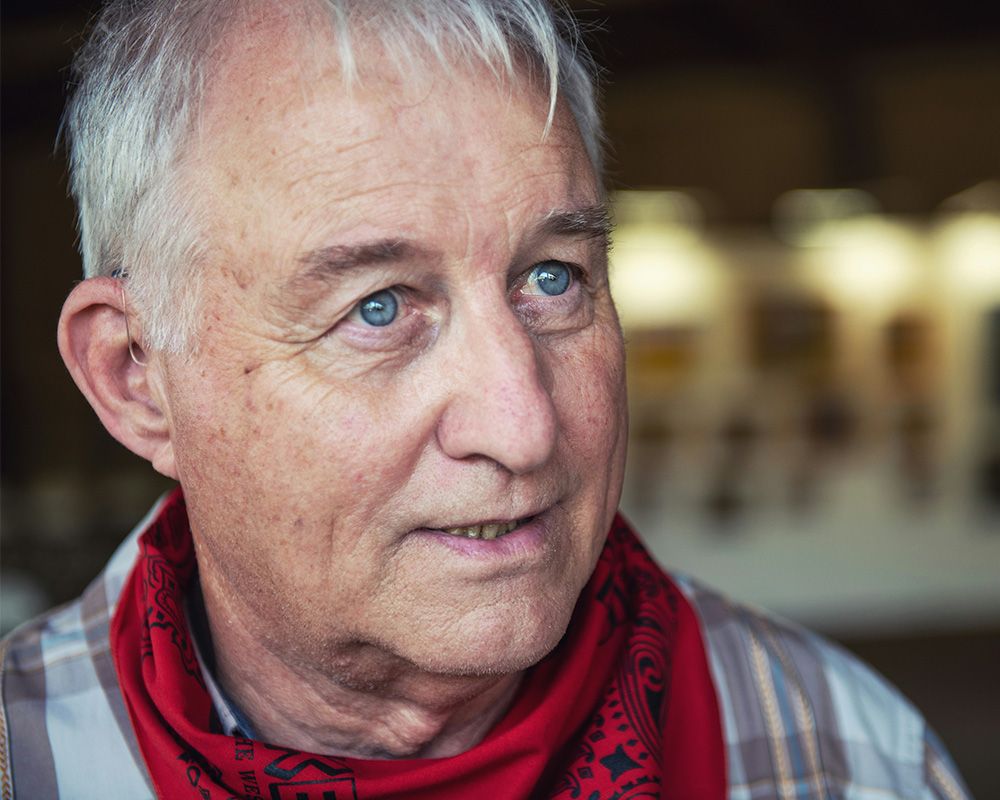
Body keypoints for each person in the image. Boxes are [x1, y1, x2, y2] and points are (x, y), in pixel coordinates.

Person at [0, 2, 971, 798]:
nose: (524, 423)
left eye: (553, 279)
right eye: (377, 306)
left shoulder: (844, 753)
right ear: (136, 376)